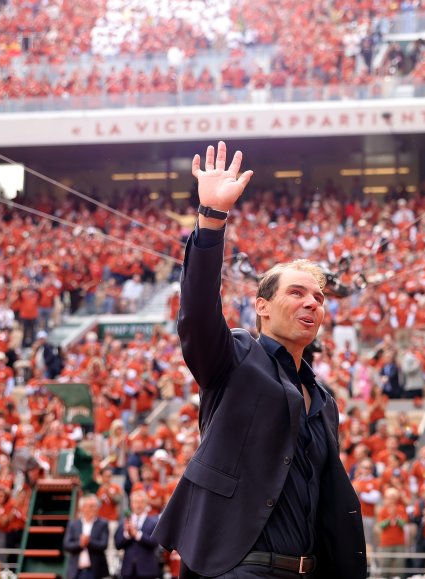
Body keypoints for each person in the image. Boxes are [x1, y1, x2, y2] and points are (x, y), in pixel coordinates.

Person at [151, 142, 366, 578]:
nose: (312, 304)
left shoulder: (323, 399)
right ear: (262, 307)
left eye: (319, 298)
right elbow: (196, 315)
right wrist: (211, 220)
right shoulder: (235, 356)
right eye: (297, 292)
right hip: (239, 568)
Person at [116, 490, 162, 579]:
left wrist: (137, 534)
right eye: (136, 502)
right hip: (128, 570)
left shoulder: (154, 522)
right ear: (131, 504)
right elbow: (118, 544)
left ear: (146, 504)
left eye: (141, 502)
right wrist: (128, 534)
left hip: (147, 571)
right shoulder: (124, 522)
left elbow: (155, 543)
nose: (138, 505)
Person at [65, 494, 110, 579]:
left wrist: (89, 542)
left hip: (95, 571)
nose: (94, 509)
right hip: (76, 571)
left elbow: (104, 544)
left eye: (96, 506)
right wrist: (80, 544)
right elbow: (67, 544)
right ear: (82, 508)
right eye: (91, 506)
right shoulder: (73, 524)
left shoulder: (103, 524)